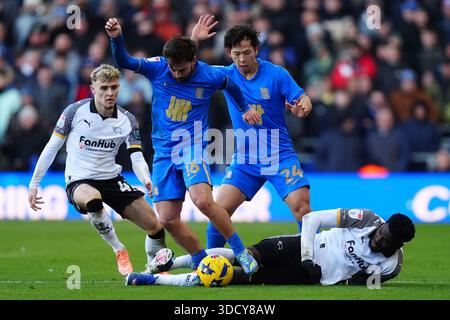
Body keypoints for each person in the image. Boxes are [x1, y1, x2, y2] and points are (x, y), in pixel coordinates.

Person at [105, 18, 261, 274]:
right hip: (163, 152)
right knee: (167, 219)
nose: (176, 74)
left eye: (181, 70)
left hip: (192, 147)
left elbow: (231, 84)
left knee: (203, 201)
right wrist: (116, 38)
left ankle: (241, 252)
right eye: (172, 69)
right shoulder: (158, 68)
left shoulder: (210, 74)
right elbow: (125, 61)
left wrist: (244, 109)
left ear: (193, 61)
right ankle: (201, 261)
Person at [28, 64, 166, 276]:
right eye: (104, 88)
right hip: (80, 180)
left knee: (155, 226)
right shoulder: (74, 112)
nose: (109, 93)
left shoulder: (127, 120)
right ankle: (119, 249)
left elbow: (136, 155)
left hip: (112, 178)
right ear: (93, 89)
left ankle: (154, 267)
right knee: (93, 199)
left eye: (113, 87)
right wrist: (34, 183)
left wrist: (146, 179)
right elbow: (52, 147)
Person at [190, 16, 313, 248]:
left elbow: (301, 97)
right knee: (218, 213)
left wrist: (304, 105)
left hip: (279, 155)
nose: (242, 59)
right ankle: (210, 264)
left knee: (303, 209)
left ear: (256, 49)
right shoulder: (224, 75)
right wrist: (194, 40)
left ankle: (312, 262)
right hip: (245, 160)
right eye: (236, 54)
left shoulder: (277, 74)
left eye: (247, 52)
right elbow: (185, 66)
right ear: (228, 52)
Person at [126, 208, 415, 287]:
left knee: (235, 277)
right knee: (248, 256)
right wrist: (308, 256)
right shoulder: (365, 218)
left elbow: (359, 283)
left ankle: (156, 277)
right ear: (383, 224)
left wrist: (328, 278)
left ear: (397, 245)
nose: (378, 239)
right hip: (307, 246)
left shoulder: (392, 267)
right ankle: (167, 267)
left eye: (385, 241)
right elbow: (312, 218)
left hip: (310, 278)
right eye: (381, 233)